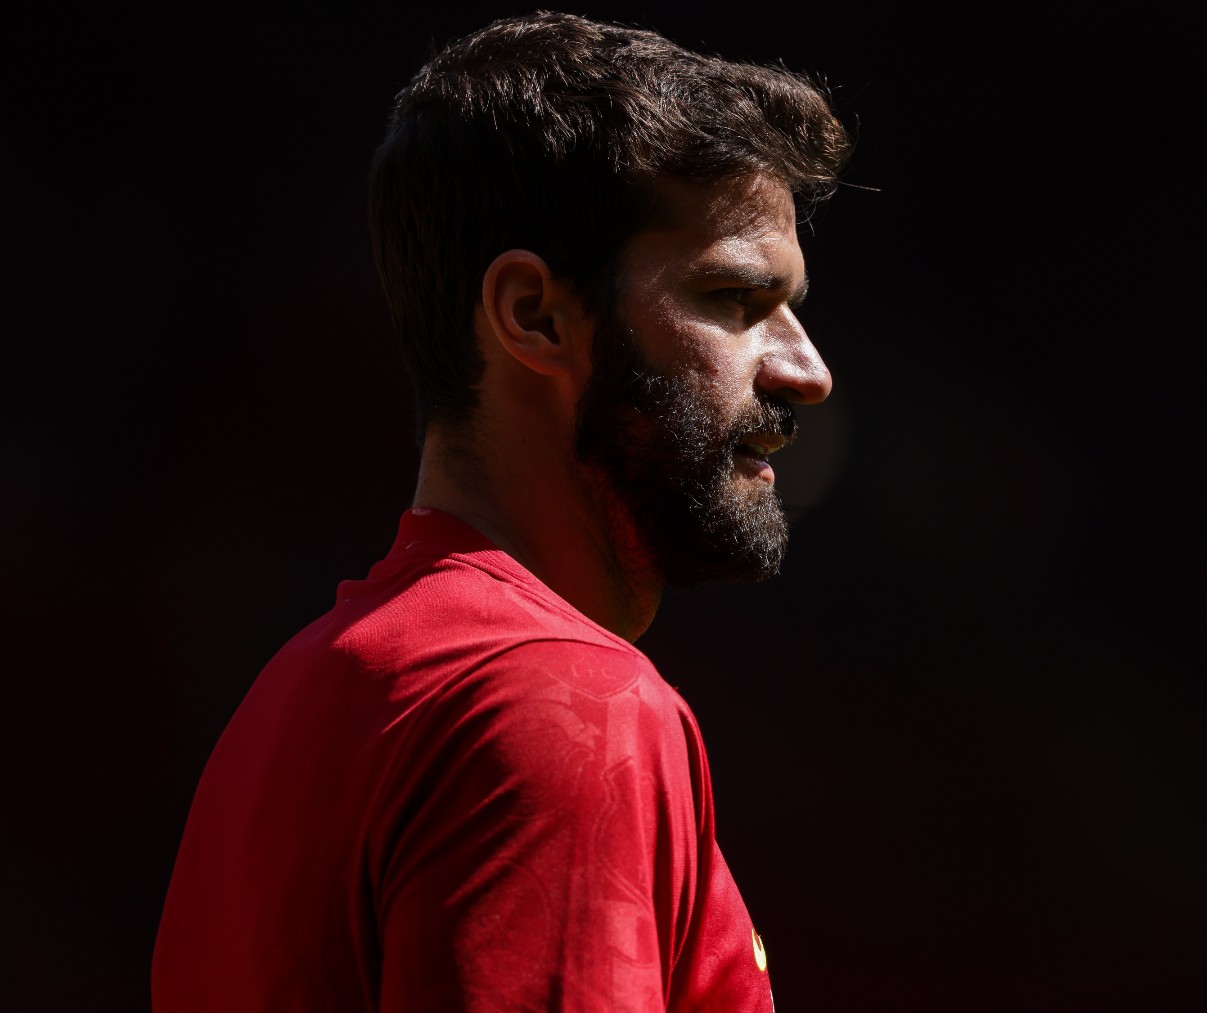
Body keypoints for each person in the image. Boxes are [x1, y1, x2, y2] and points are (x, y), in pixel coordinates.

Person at [152, 12, 849, 1011]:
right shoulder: (553, 703)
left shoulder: (294, 701)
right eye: (735, 297)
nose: (808, 370)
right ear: (534, 315)